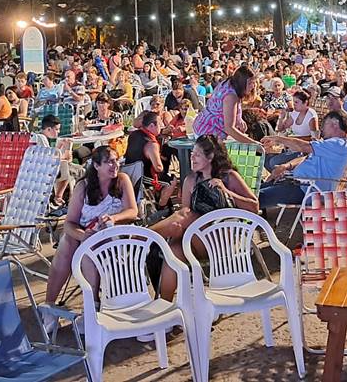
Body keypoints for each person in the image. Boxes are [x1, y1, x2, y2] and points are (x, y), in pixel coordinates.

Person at [150, 135, 258, 300]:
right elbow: (185, 219)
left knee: (185, 215)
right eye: (192, 154)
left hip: (222, 239)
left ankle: (142, 237)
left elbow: (254, 207)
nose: (192, 158)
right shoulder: (190, 180)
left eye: (197, 155)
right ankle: (165, 306)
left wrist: (226, 191)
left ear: (211, 156)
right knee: (173, 251)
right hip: (198, 240)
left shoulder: (229, 177)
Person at [43, 146, 137, 327]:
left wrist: (114, 218)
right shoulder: (83, 187)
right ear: (96, 165)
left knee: (89, 249)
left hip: (114, 234)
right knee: (67, 242)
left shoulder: (122, 180)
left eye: (116, 160)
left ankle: (92, 306)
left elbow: (133, 211)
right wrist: (83, 235)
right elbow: (69, 223)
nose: (115, 165)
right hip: (87, 232)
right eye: (109, 162)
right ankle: (49, 306)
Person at [258, 110, 347, 209]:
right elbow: (305, 157)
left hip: (307, 190)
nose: (321, 129)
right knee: (256, 190)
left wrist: (278, 139)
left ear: (335, 123)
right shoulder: (332, 145)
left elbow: (303, 146)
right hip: (298, 184)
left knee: (257, 197)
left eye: (324, 124)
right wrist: (285, 166)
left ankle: (250, 213)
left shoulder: (338, 144)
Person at [191, 65, 258, 144]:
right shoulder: (230, 96)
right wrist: (254, 144)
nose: (253, 86)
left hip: (205, 125)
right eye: (250, 83)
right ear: (241, 83)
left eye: (254, 82)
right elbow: (229, 128)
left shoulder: (230, 83)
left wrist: (238, 119)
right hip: (207, 132)